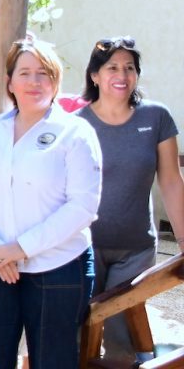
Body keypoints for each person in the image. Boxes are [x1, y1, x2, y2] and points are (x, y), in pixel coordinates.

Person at [0, 38, 101, 369]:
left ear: (56, 80)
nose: (34, 82)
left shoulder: (75, 133)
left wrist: (21, 248)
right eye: (24, 73)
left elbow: (82, 207)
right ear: (10, 82)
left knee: (52, 361)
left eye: (43, 73)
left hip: (59, 267)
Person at [76, 37, 183, 362]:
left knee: (121, 337)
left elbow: (171, 181)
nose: (122, 75)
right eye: (112, 68)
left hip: (135, 249)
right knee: (78, 332)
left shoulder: (156, 117)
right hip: (83, 248)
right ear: (95, 75)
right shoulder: (77, 124)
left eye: (129, 68)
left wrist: (183, 240)